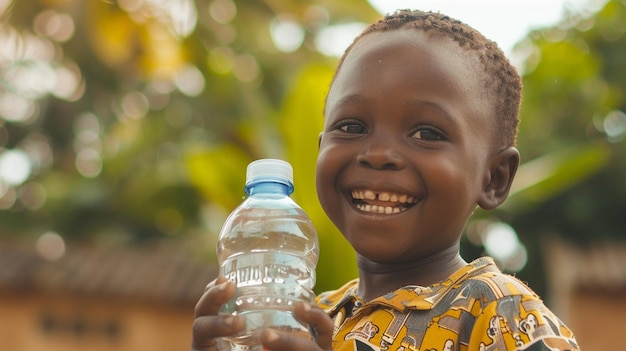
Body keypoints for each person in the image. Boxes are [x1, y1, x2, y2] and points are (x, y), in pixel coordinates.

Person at [191, 9, 580, 351]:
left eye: (426, 133)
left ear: (494, 178)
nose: (377, 154)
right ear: (321, 147)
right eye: (351, 126)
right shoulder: (309, 316)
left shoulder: (501, 315)